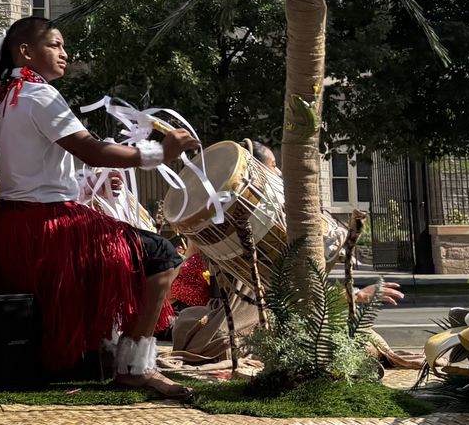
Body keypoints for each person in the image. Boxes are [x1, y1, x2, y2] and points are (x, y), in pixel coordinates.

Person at [0, 17, 199, 398]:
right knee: (161, 256)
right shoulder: (40, 95)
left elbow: (43, 168)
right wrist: (158, 153)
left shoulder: (11, 99)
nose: (65, 53)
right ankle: (134, 368)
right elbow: (90, 149)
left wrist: (87, 183)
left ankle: (108, 358)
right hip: (48, 225)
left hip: (11, 225)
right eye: (56, 45)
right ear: (26, 51)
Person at [169, 141, 410, 365]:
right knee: (361, 343)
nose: (280, 173)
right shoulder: (244, 230)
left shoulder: (223, 230)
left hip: (227, 326)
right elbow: (298, 293)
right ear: (253, 175)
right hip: (243, 326)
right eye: (273, 166)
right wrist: (354, 295)